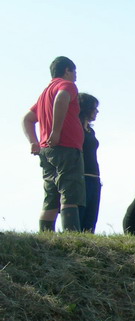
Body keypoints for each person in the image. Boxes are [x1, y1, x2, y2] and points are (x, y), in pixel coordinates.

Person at [21, 56, 84, 232]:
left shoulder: (44, 94)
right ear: (67, 70)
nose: (76, 76)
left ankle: (45, 235)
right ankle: (72, 237)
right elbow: (62, 98)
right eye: (74, 71)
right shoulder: (66, 85)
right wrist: (56, 132)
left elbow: (27, 119)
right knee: (69, 192)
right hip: (66, 147)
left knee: (51, 195)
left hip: (47, 150)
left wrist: (33, 142)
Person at [77, 93, 101, 233]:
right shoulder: (77, 129)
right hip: (82, 176)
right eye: (94, 108)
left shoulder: (90, 131)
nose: (97, 111)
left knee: (91, 220)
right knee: (80, 216)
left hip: (94, 177)